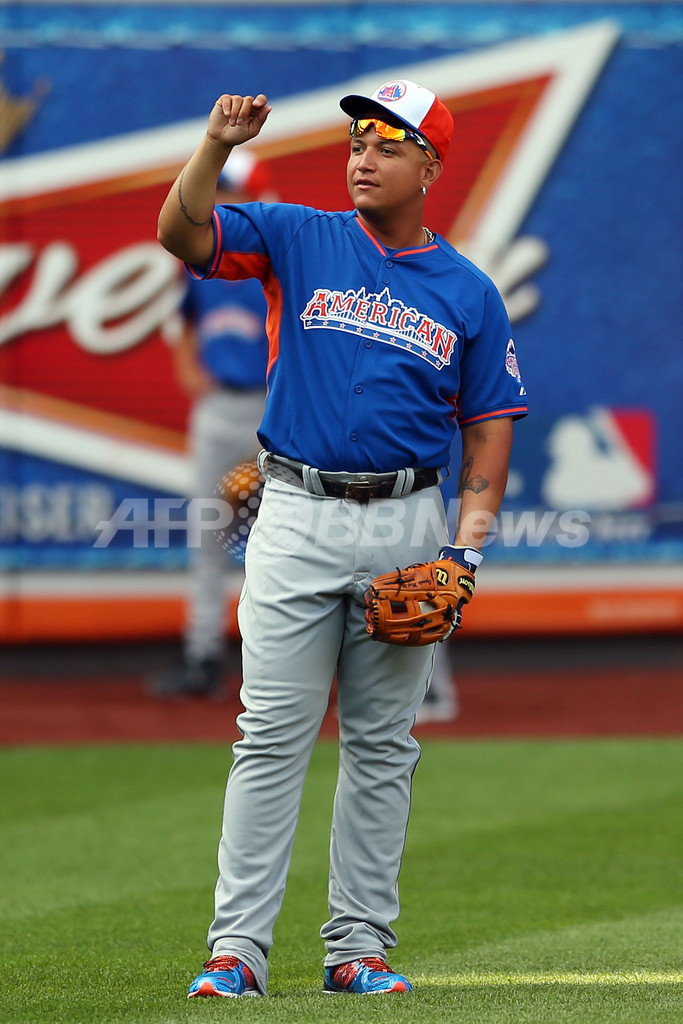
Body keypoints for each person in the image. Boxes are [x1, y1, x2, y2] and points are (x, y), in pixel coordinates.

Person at [157, 79, 528, 998]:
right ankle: (235, 952)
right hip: (295, 509)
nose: (364, 158)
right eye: (358, 143)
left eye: (388, 146)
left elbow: (488, 429)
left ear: (429, 167)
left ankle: (357, 947)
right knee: (269, 737)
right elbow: (182, 234)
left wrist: (463, 554)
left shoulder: (468, 292)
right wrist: (214, 146)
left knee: (383, 746)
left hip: (409, 521)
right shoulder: (297, 234)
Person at [151, 152, 276, 698]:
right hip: (220, 407)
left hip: (274, 411)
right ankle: (203, 655)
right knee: (207, 534)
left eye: (231, 189)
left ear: (256, 194)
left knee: (283, 541)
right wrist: (186, 365)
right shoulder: (200, 255)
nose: (220, 198)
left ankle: (279, 665)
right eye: (219, 189)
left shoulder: (279, 256)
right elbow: (182, 319)